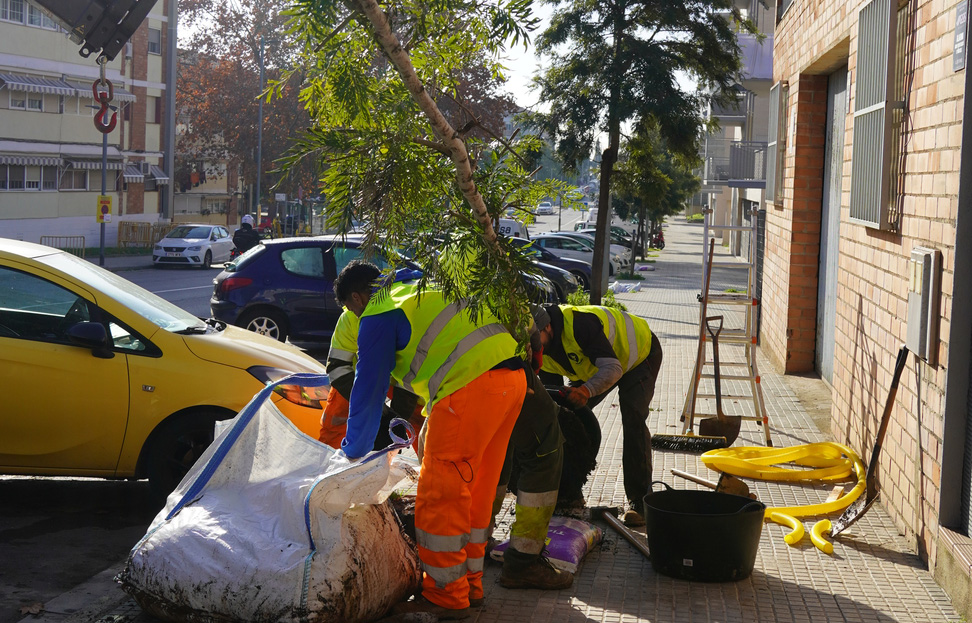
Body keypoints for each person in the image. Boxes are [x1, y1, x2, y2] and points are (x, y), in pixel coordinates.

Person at [334, 260, 527, 618]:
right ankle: (470, 584)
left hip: (470, 387)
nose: (353, 316)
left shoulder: (378, 310)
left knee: (441, 492)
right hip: (511, 381)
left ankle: (445, 596)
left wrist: (354, 452)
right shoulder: (421, 286)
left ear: (357, 298)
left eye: (350, 309)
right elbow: (440, 352)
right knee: (476, 488)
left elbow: (368, 388)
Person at [535, 304, 663, 527]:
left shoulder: (579, 325)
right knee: (564, 420)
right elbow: (552, 406)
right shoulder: (539, 348)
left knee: (633, 417)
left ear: (547, 327)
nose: (532, 345)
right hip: (598, 365)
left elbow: (613, 369)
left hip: (639, 356)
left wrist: (586, 391)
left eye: (535, 338)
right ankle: (569, 492)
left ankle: (640, 503)